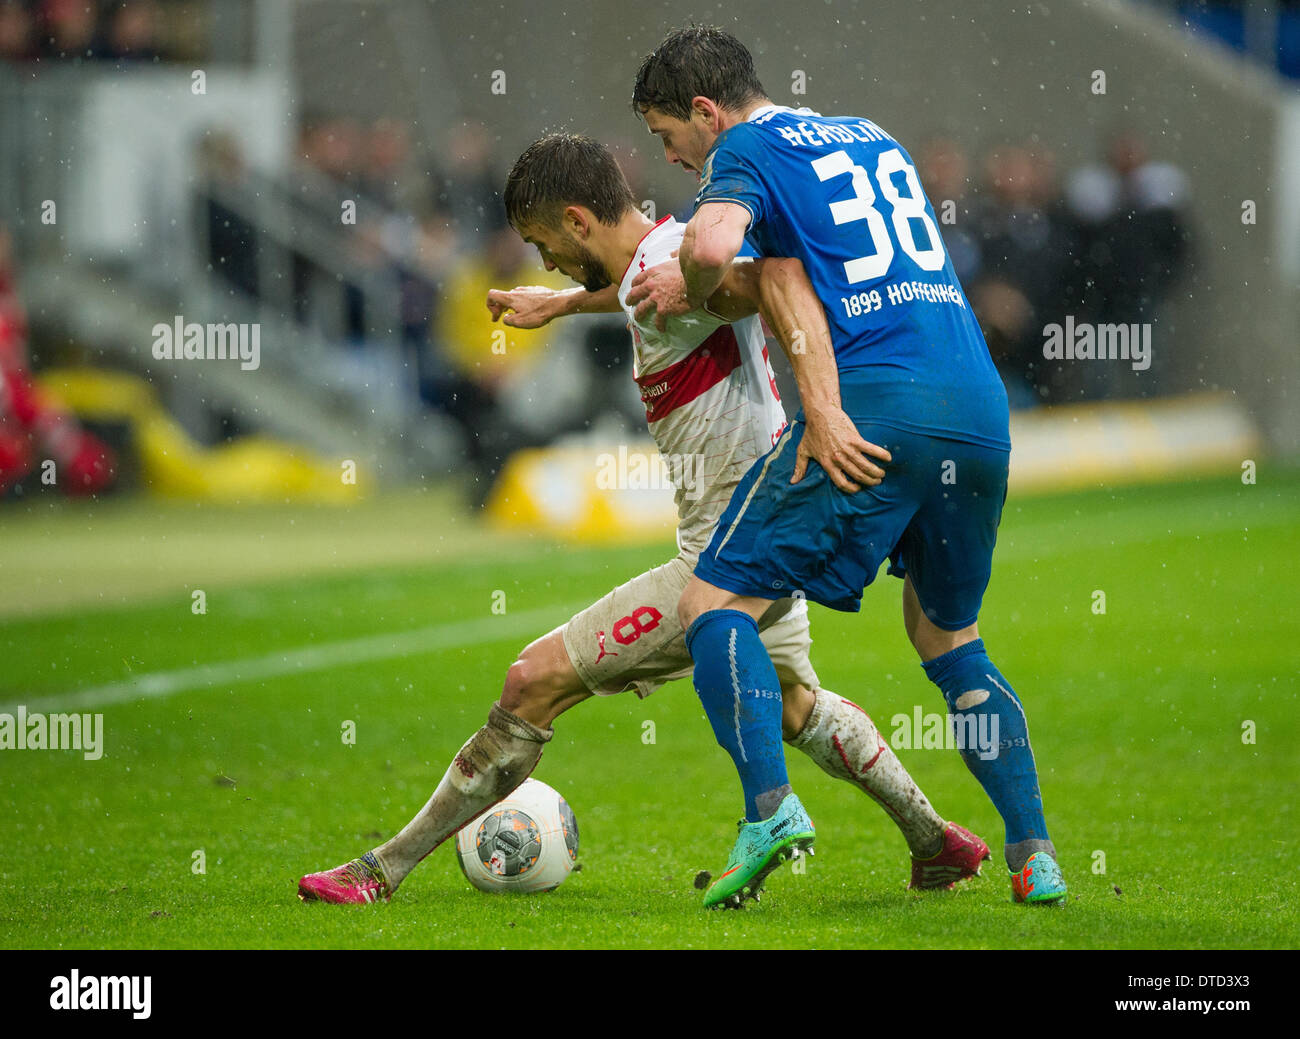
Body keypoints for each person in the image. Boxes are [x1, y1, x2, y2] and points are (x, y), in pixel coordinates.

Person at [297, 134, 990, 906]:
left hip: (725, 561)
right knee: (793, 705)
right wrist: (559, 304)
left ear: (576, 219)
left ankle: (379, 870)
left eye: (545, 246)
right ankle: (935, 840)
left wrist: (824, 402)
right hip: (770, 542)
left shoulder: (684, 264)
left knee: (532, 680)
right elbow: (644, 289)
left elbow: (771, 279)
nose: (546, 262)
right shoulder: (666, 259)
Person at [624, 27, 1066, 907]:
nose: (671, 157)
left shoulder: (745, 147)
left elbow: (712, 251)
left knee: (713, 603)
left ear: (707, 113)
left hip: (878, 406)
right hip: (978, 407)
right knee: (949, 640)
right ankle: (1035, 853)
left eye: (667, 134)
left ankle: (769, 811)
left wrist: (690, 279)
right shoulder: (869, 134)